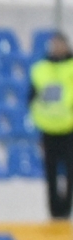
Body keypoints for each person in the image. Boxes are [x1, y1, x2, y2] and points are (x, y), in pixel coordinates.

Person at [31, 34, 73, 220]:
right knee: (51, 172)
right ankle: (54, 212)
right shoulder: (40, 69)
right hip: (48, 128)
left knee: (70, 172)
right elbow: (32, 98)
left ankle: (66, 209)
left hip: (69, 127)